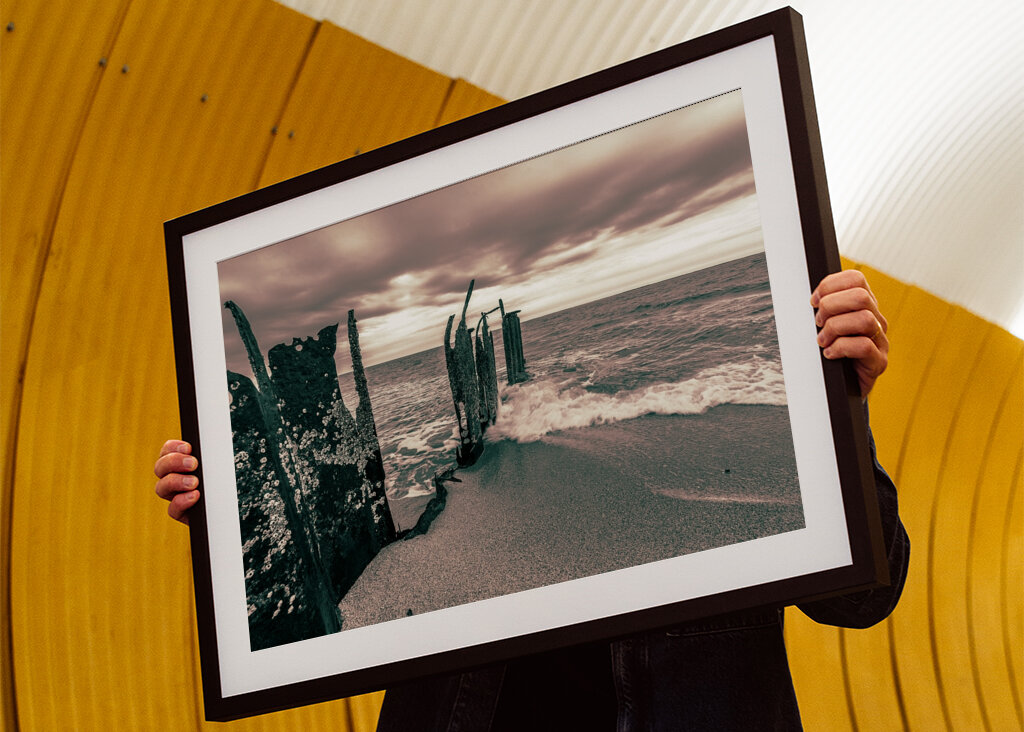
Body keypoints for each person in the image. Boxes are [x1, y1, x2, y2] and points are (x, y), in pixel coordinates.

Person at [154, 270, 908, 731]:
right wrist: (240, 510)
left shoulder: (776, 423)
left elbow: (866, 596)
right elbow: (340, 598)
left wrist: (839, 407)